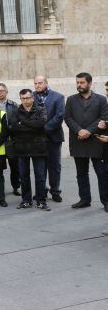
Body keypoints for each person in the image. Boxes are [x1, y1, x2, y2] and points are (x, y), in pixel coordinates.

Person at [64, 72, 108, 211]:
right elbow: (68, 118)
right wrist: (79, 131)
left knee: (101, 174)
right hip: (78, 141)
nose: (79, 85)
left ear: (89, 83)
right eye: (77, 82)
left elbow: (104, 117)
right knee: (81, 173)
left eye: (82, 82)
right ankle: (84, 199)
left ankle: (106, 201)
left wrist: (88, 131)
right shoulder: (71, 99)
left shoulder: (101, 99)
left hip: (96, 141)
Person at [9, 89, 49, 211]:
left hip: (38, 147)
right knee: (23, 175)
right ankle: (26, 200)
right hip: (21, 147)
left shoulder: (41, 109)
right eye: (23, 98)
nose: (25, 101)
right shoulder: (16, 111)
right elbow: (13, 127)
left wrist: (24, 122)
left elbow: (41, 124)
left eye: (27, 98)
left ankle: (41, 201)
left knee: (40, 175)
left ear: (32, 98)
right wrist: (31, 124)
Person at [33, 75, 65, 202]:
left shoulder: (58, 97)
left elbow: (60, 116)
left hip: (54, 138)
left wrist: (44, 129)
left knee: (54, 166)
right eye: (35, 83)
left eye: (40, 83)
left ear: (46, 83)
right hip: (36, 139)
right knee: (39, 167)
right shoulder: (31, 97)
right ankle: (42, 191)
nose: (37, 85)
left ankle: (55, 191)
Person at [0, 83, 21, 196]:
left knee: (14, 165)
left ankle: (16, 187)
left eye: (2, 90)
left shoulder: (13, 105)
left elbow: (17, 121)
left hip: (10, 140)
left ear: (6, 92)